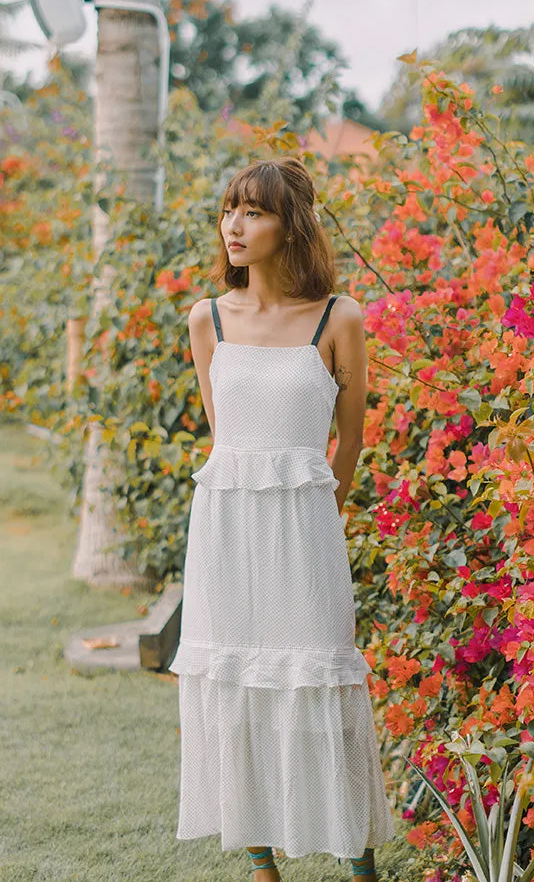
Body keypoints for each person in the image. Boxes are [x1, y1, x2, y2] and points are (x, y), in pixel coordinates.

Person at [169, 157, 397, 880]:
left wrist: (318, 515)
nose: (235, 225)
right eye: (230, 208)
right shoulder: (207, 318)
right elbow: (226, 439)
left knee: (323, 683)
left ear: (289, 224)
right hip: (225, 534)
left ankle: (359, 866)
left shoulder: (341, 317)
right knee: (235, 685)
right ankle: (263, 866)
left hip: (306, 534)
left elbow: (351, 438)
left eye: (255, 211)